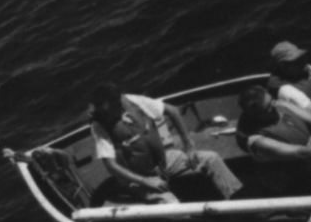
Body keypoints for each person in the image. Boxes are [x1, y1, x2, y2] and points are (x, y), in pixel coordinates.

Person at [88, 83, 244, 201]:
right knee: (171, 205)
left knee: (211, 159)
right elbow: (111, 166)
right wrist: (145, 181)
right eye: (105, 111)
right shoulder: (99, 126)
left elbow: (172, 111)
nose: (111, 113)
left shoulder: (133, 101)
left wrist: (189, 146)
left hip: (165, 161)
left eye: (113, 107)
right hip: (140, 177)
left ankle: (240, 201)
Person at [234, 84, 311, 196]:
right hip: (293, 184)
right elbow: (301, 153)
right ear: (255, 114)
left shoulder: (279, 105)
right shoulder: (257, 141)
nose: (274, 107)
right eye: (269, 108)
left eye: (272, 101)